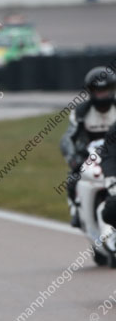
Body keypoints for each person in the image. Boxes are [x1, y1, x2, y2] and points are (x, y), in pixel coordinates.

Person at [60, 66, 116, 227]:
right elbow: (67, 138)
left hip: (114, 153)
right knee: (72, 178)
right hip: (89, 154)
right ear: (91, 91)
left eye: (105, 90)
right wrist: (73, 157)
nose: (102, 95)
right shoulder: (81, 112)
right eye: (98, 91)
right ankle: (76, 211)